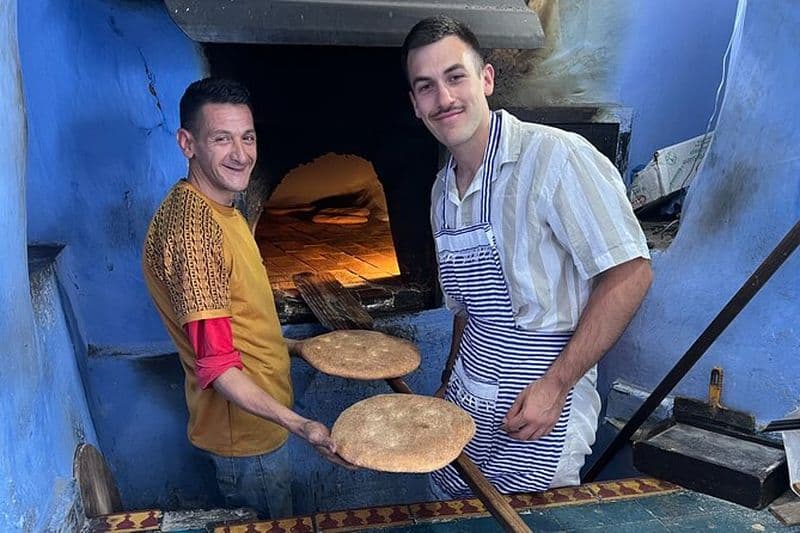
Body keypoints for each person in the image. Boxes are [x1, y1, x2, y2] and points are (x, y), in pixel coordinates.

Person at [400, 16, 653, 498]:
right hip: (467, 403)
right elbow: (464, 311)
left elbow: (632, 273)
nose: (445, 98)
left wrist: (556, 386)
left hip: (539, 411)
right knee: (458, 520)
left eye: (456, 77)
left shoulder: (556, 158)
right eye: (426, 87)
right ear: (416, 105)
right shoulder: (441, 191)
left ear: (486, 79)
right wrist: (446, 384)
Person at [142, 77, 349, 519]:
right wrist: (302, 425)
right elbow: (216, 366)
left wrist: (294, 347)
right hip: (248, 441)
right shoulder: (194, 232)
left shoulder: (223, 207)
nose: (241, 154)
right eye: (221, 139)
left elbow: (238, 318)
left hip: (263, 427)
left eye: (247, 137)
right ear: (187, 143)